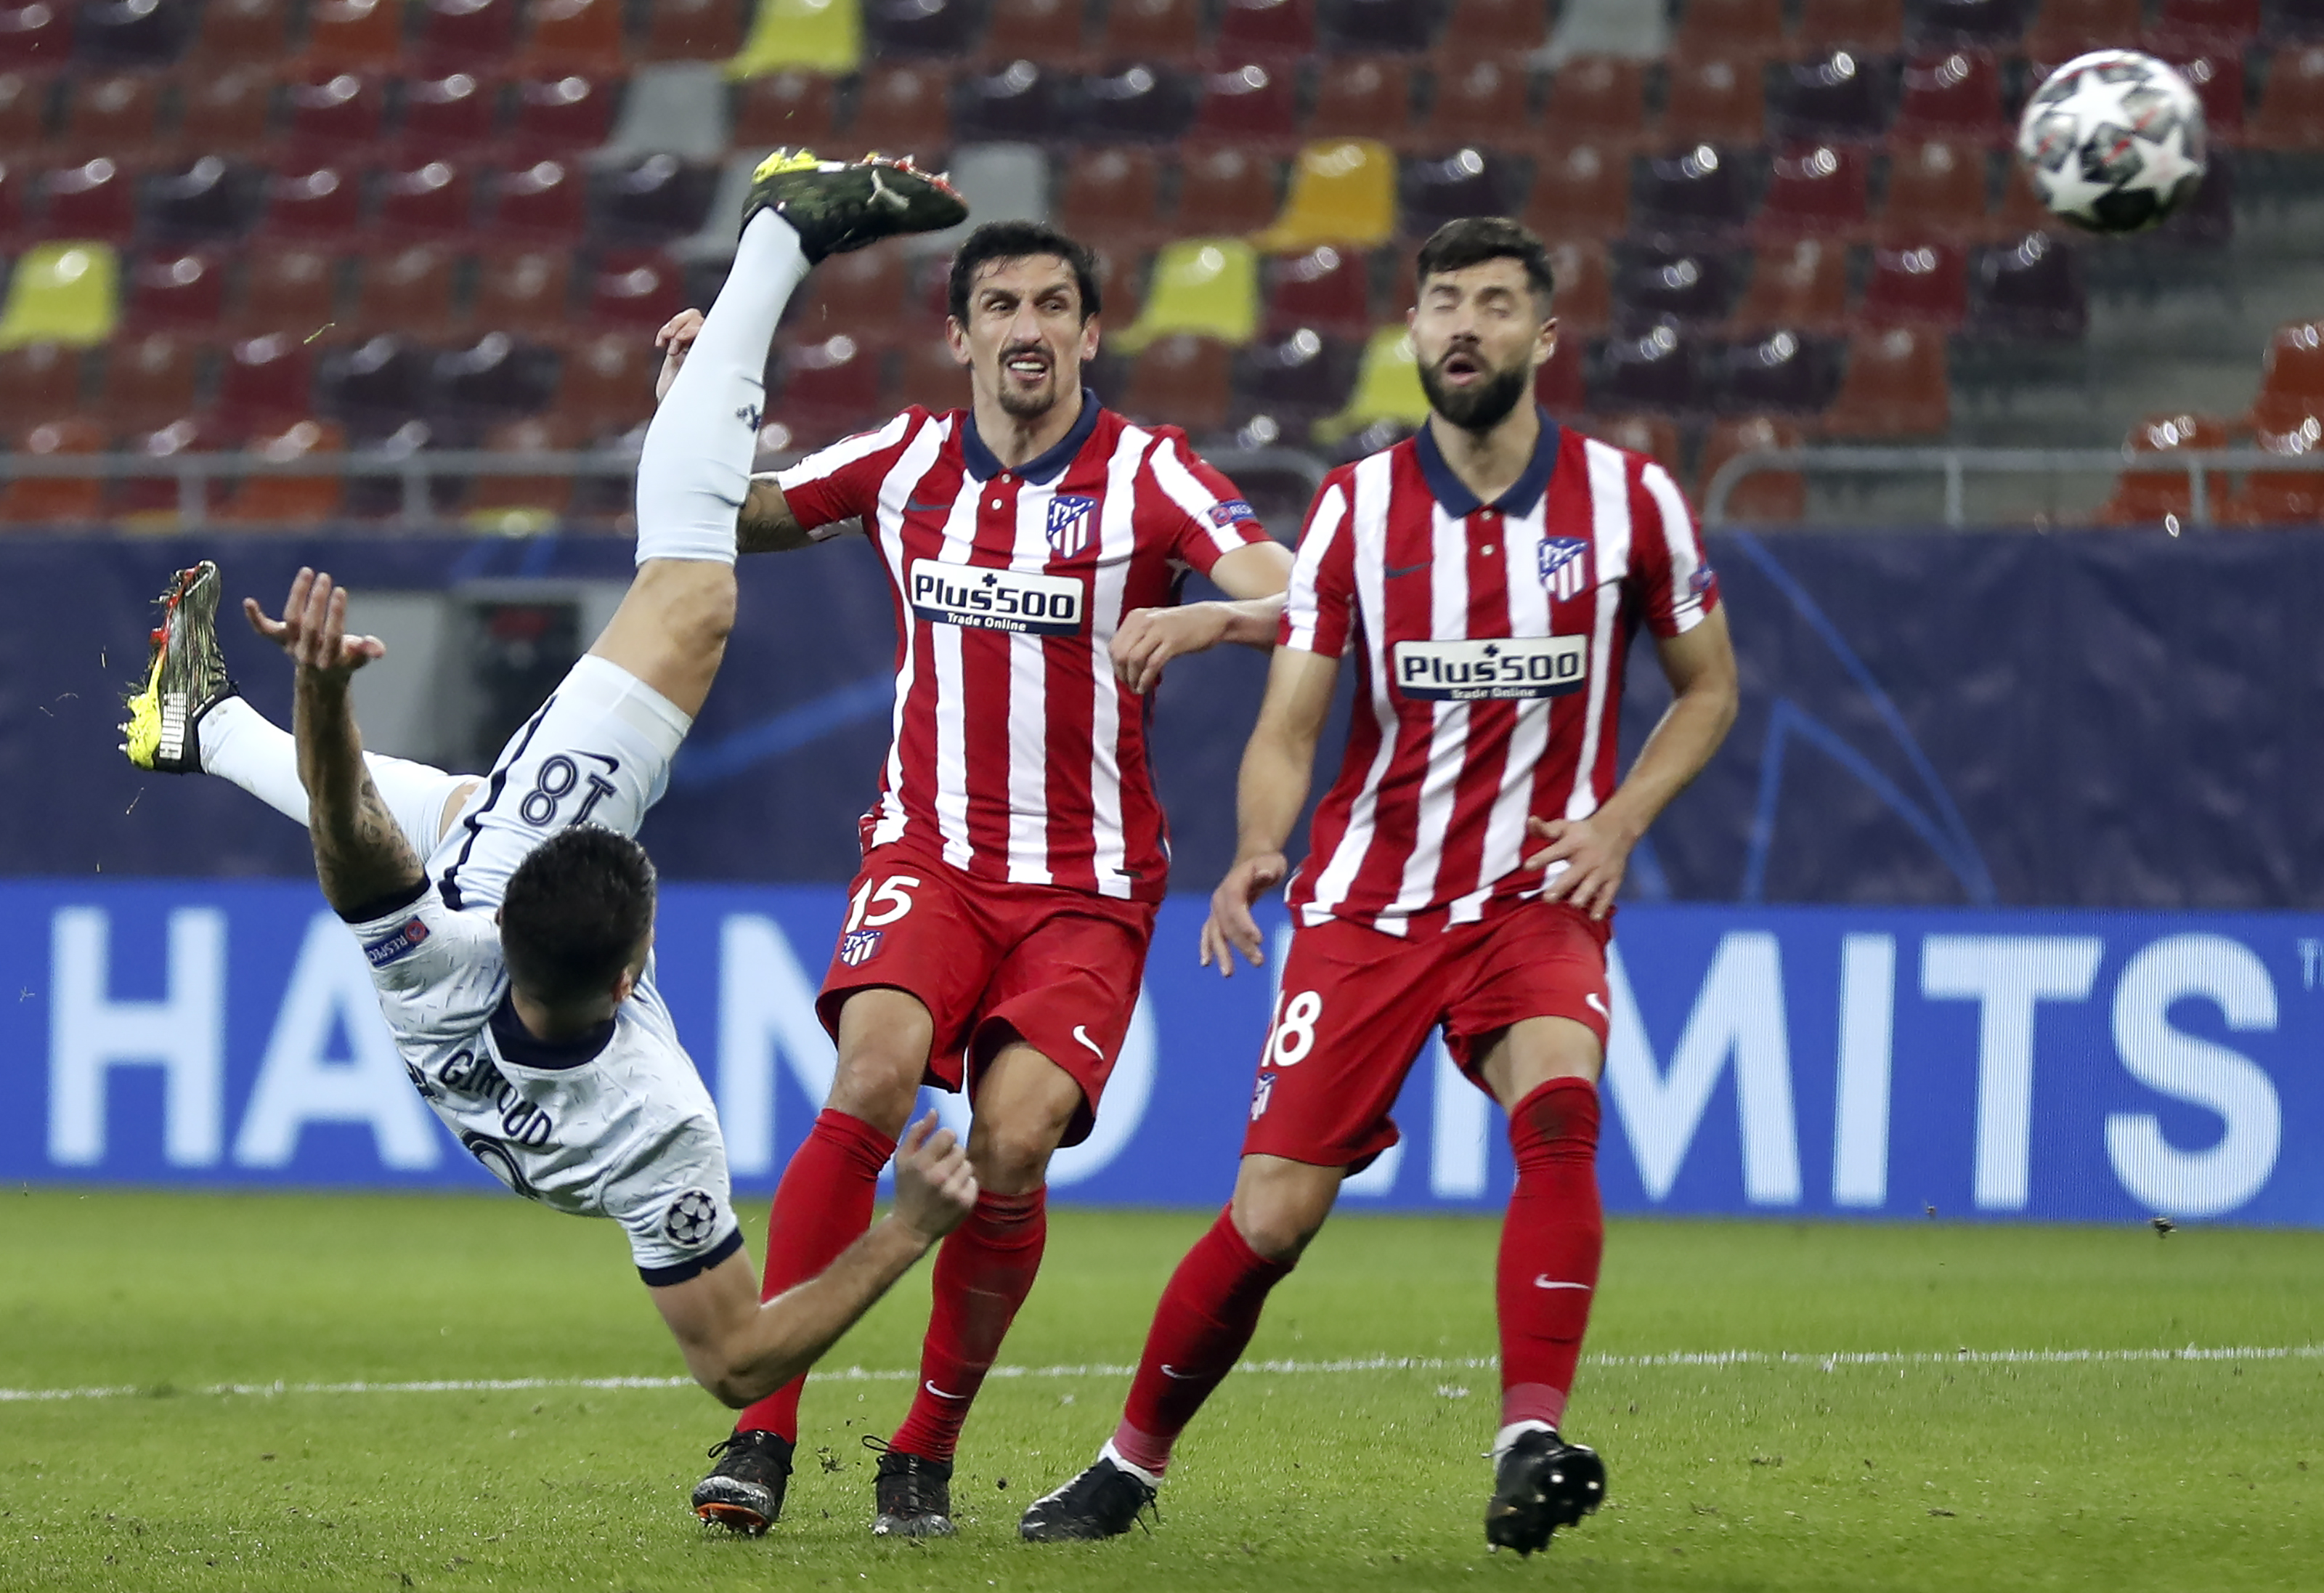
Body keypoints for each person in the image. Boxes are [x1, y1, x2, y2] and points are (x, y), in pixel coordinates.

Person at [117, 151, 984, 1414]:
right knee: (459, 805)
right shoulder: (635, 1116)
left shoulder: (549, 1038)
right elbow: (732, 1359)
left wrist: (909, 1226)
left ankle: (778, 237)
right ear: (626, 977)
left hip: (497, 973)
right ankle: (202, 727)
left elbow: (357, 850)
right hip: (515, 1066)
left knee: (689, 601)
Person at [1017, 216, 1741, 1555]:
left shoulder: (1630, 502)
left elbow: (1710, 690)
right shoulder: (1358, 506)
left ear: (1543, 335)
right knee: (1272, 1218)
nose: (1466, 324)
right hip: (1369, 906)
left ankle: (1529, 1438)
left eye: (1496, 303)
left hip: (1537, 891)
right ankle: (1127, 1462)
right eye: (1444, 302)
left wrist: (1621, 820)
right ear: (1412, 331)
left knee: (1562, 1107)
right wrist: (1258, 846)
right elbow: (1293, 719)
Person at [653, 218, 1298, 1538]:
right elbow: (741, 514)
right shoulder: (903, 460)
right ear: (959, 334)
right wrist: (686, 418)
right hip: (930, 852)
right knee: (872, 1078)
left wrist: (1214, 614)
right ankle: (762, 1430)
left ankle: (925, 1449)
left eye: (1053, 304)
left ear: (1090, 332)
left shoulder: (1151, 475)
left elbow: (1304, 594)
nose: (1027, 326)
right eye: (1000, 304)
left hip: (1087, 886)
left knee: (1010, 1144)